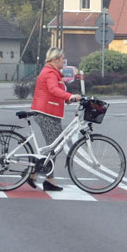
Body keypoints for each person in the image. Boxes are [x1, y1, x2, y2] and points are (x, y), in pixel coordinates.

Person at [29, 47, 81, 191]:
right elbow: (53, 89)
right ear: (55, 59)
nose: (64, 62)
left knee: (53, 147)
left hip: (50, 112)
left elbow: (55, 93)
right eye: (62, 59)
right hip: (46, 113)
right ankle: (40, 175)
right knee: (54, 147)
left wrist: (68, 100)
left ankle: (41, 176)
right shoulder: (50, 73)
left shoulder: (53, 73)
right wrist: (69, 96)